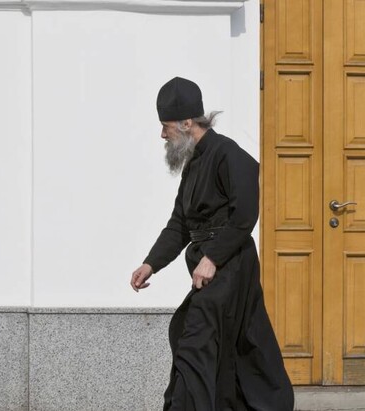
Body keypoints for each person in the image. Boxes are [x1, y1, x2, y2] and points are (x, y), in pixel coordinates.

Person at [130, 77, 294, 411]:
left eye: (166, 127)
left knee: (196, 337)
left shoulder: (230, 155)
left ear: (186, 123)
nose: (163, 135)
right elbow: (180, 224)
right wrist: (151, 264)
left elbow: (244, 215)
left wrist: (213, 259)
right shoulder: (193, 165)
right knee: (225, 343)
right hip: (213, 267)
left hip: (232, 265)